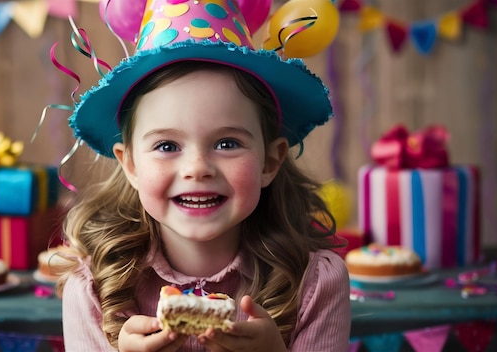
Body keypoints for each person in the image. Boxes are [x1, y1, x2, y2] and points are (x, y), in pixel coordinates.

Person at [49, 1, 350, 351]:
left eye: (226, 142)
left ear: (269, 161)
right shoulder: (93, 287)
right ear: (130, 165)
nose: (197, 168)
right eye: (166, 146)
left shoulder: (316, 283)